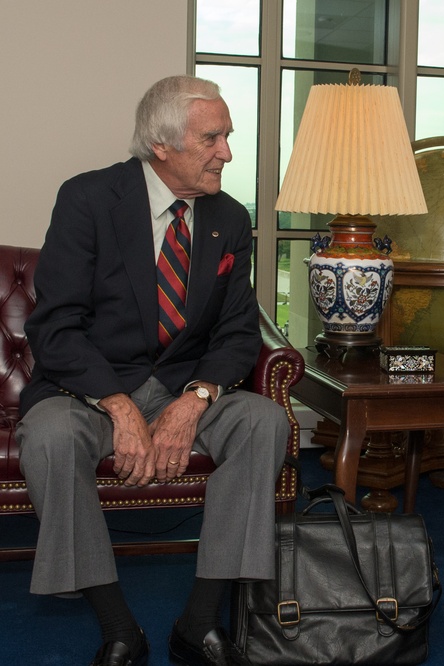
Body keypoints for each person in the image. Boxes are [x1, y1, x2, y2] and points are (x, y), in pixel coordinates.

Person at [16, 76, 289, 666]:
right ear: (161, 146)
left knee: (263, 422)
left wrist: (192, 402)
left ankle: (199, 621)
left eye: (227, 137)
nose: (227, 153)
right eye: (212, 138)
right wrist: (118, 406)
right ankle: (118, 626)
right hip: (87, 390)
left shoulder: (228, 220)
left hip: (186, 382)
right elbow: (55, 325)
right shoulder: (88, 199)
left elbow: (239, 332)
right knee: (52, 437)